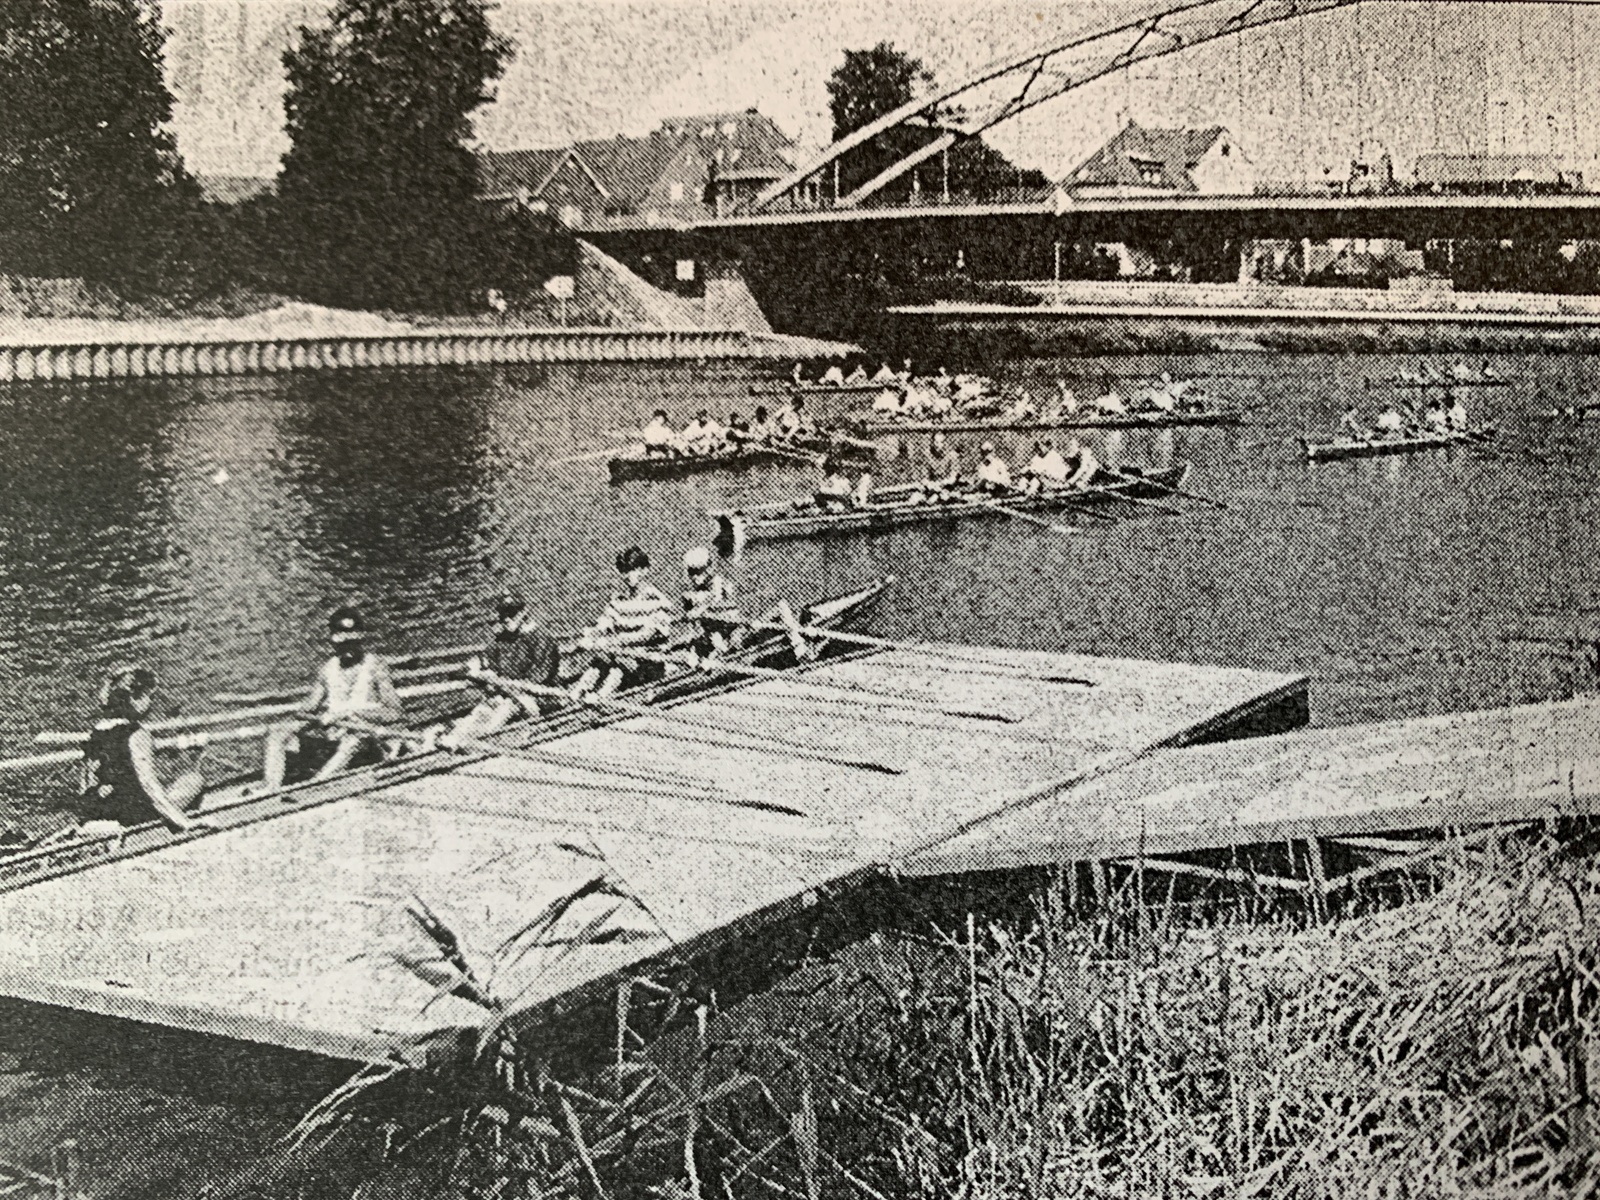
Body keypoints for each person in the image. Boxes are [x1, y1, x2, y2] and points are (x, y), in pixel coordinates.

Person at [261, 608, 406, 792]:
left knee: (353, 739)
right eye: (341, 645)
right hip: (336, 733)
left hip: (367, 736)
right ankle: (270, 787)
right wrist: (308, 719)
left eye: (352, 643)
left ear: (361, 640)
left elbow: (395, 713)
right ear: (333, 643)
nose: (347, 650)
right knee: (278, 732)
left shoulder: (376, 667)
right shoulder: (327, 669)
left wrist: (350, 714)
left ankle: (314, 788)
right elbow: (308, 709)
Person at [76, 666, 212, 834]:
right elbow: (149, 785)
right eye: (150, 697)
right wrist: (184, 823)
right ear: (135, 698)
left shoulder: (98, 730)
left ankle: (98, 825)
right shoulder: (137, 734)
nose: (152, 703)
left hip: (99, 809)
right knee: (193, 779)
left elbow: (85, 783)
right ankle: (166, 823)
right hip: (131, 814)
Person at [446, 595, 563, 745]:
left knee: (506, 705)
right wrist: (472, 668)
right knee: (486, 707)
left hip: (540, 696)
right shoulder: (502, 639)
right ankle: (455, 737)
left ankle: (477, 741)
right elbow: (483, 660)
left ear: (523, 613)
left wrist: (502, 685)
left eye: (511, 613)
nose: (506, 618)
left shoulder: (543, 640)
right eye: (503, 614)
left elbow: (539, 678)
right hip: (507, 691)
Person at [571, 547, 674, 698]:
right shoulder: (619, 601)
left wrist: (613, 641)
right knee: (599, 662)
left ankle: (600, 698)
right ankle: (576, 694)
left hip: (647, 661)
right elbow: (605, 622)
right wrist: (591, 637)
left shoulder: (657, 601)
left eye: (632, 569)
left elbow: (648, 635)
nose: (627, 575)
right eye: (624, 570)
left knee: (617, 667)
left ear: (644, 571)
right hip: (622, 654)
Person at [681, 547, 742, 658]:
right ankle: (709, 654)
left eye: (699, 571)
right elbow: (692, 621)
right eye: (692, 572)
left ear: (708, 568)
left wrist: (699, 610)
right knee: (702, 642)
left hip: (727, 623)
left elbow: (715, 599)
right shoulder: (693, 590)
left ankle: (727, 653)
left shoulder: (717, 581)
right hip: (711, 627)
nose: (695, 577)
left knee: (717, 639)